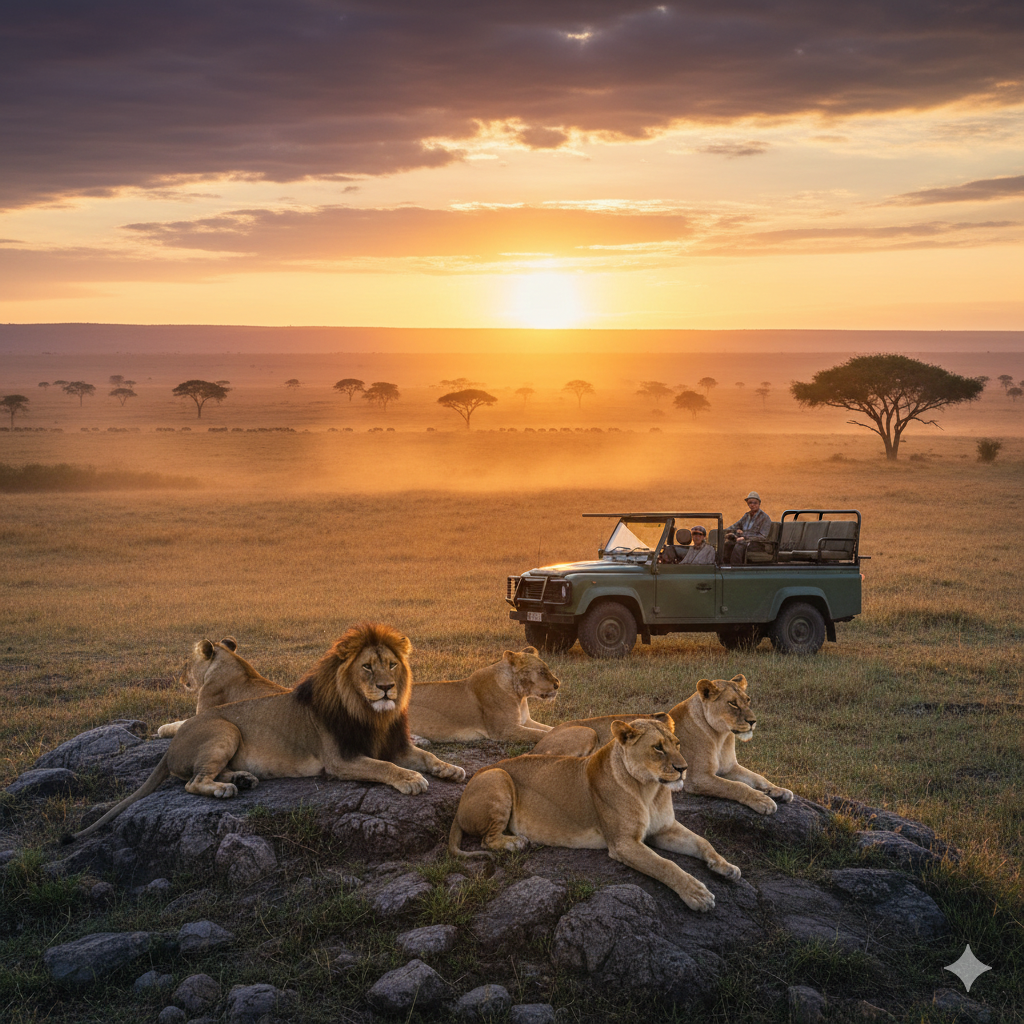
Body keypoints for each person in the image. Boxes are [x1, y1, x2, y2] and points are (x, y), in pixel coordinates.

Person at [724, 491, 771, 565]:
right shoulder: (746, 516)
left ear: (759, 503)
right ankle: (724, 568)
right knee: (728, 544)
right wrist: (725, 532)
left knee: (739, 545)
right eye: (750, 503)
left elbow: (762, 537)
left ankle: (736, 570)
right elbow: (735, 526)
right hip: (744, 542)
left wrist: (745, 538)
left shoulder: (765, 518)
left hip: (757, 544)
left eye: (754, 502)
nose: (752, 505)